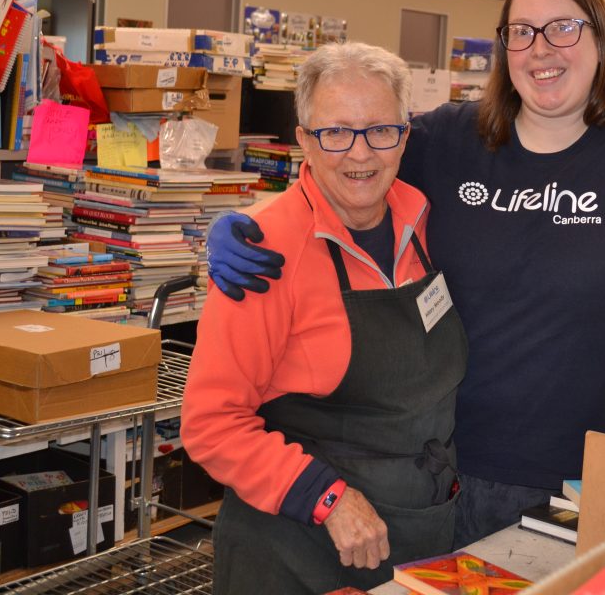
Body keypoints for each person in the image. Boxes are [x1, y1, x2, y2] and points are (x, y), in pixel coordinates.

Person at [208, 0, 605, 546]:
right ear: (504, 48)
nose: (540, 49)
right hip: (427, 471)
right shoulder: (450, 139)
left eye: (563, 29)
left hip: (565, 468)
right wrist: (246, 223)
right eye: (521, 31)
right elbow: (349, 156)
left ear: (600, 38)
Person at [181, 42, 467, 594]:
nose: (360, 154)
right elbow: (210, 422)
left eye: (381, 130)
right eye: (335, 132)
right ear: (303, 141)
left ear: (405, 136)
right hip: (295, 549)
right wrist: (326, 498)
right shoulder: (265, 251)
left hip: (414, 532)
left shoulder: (426, 220)